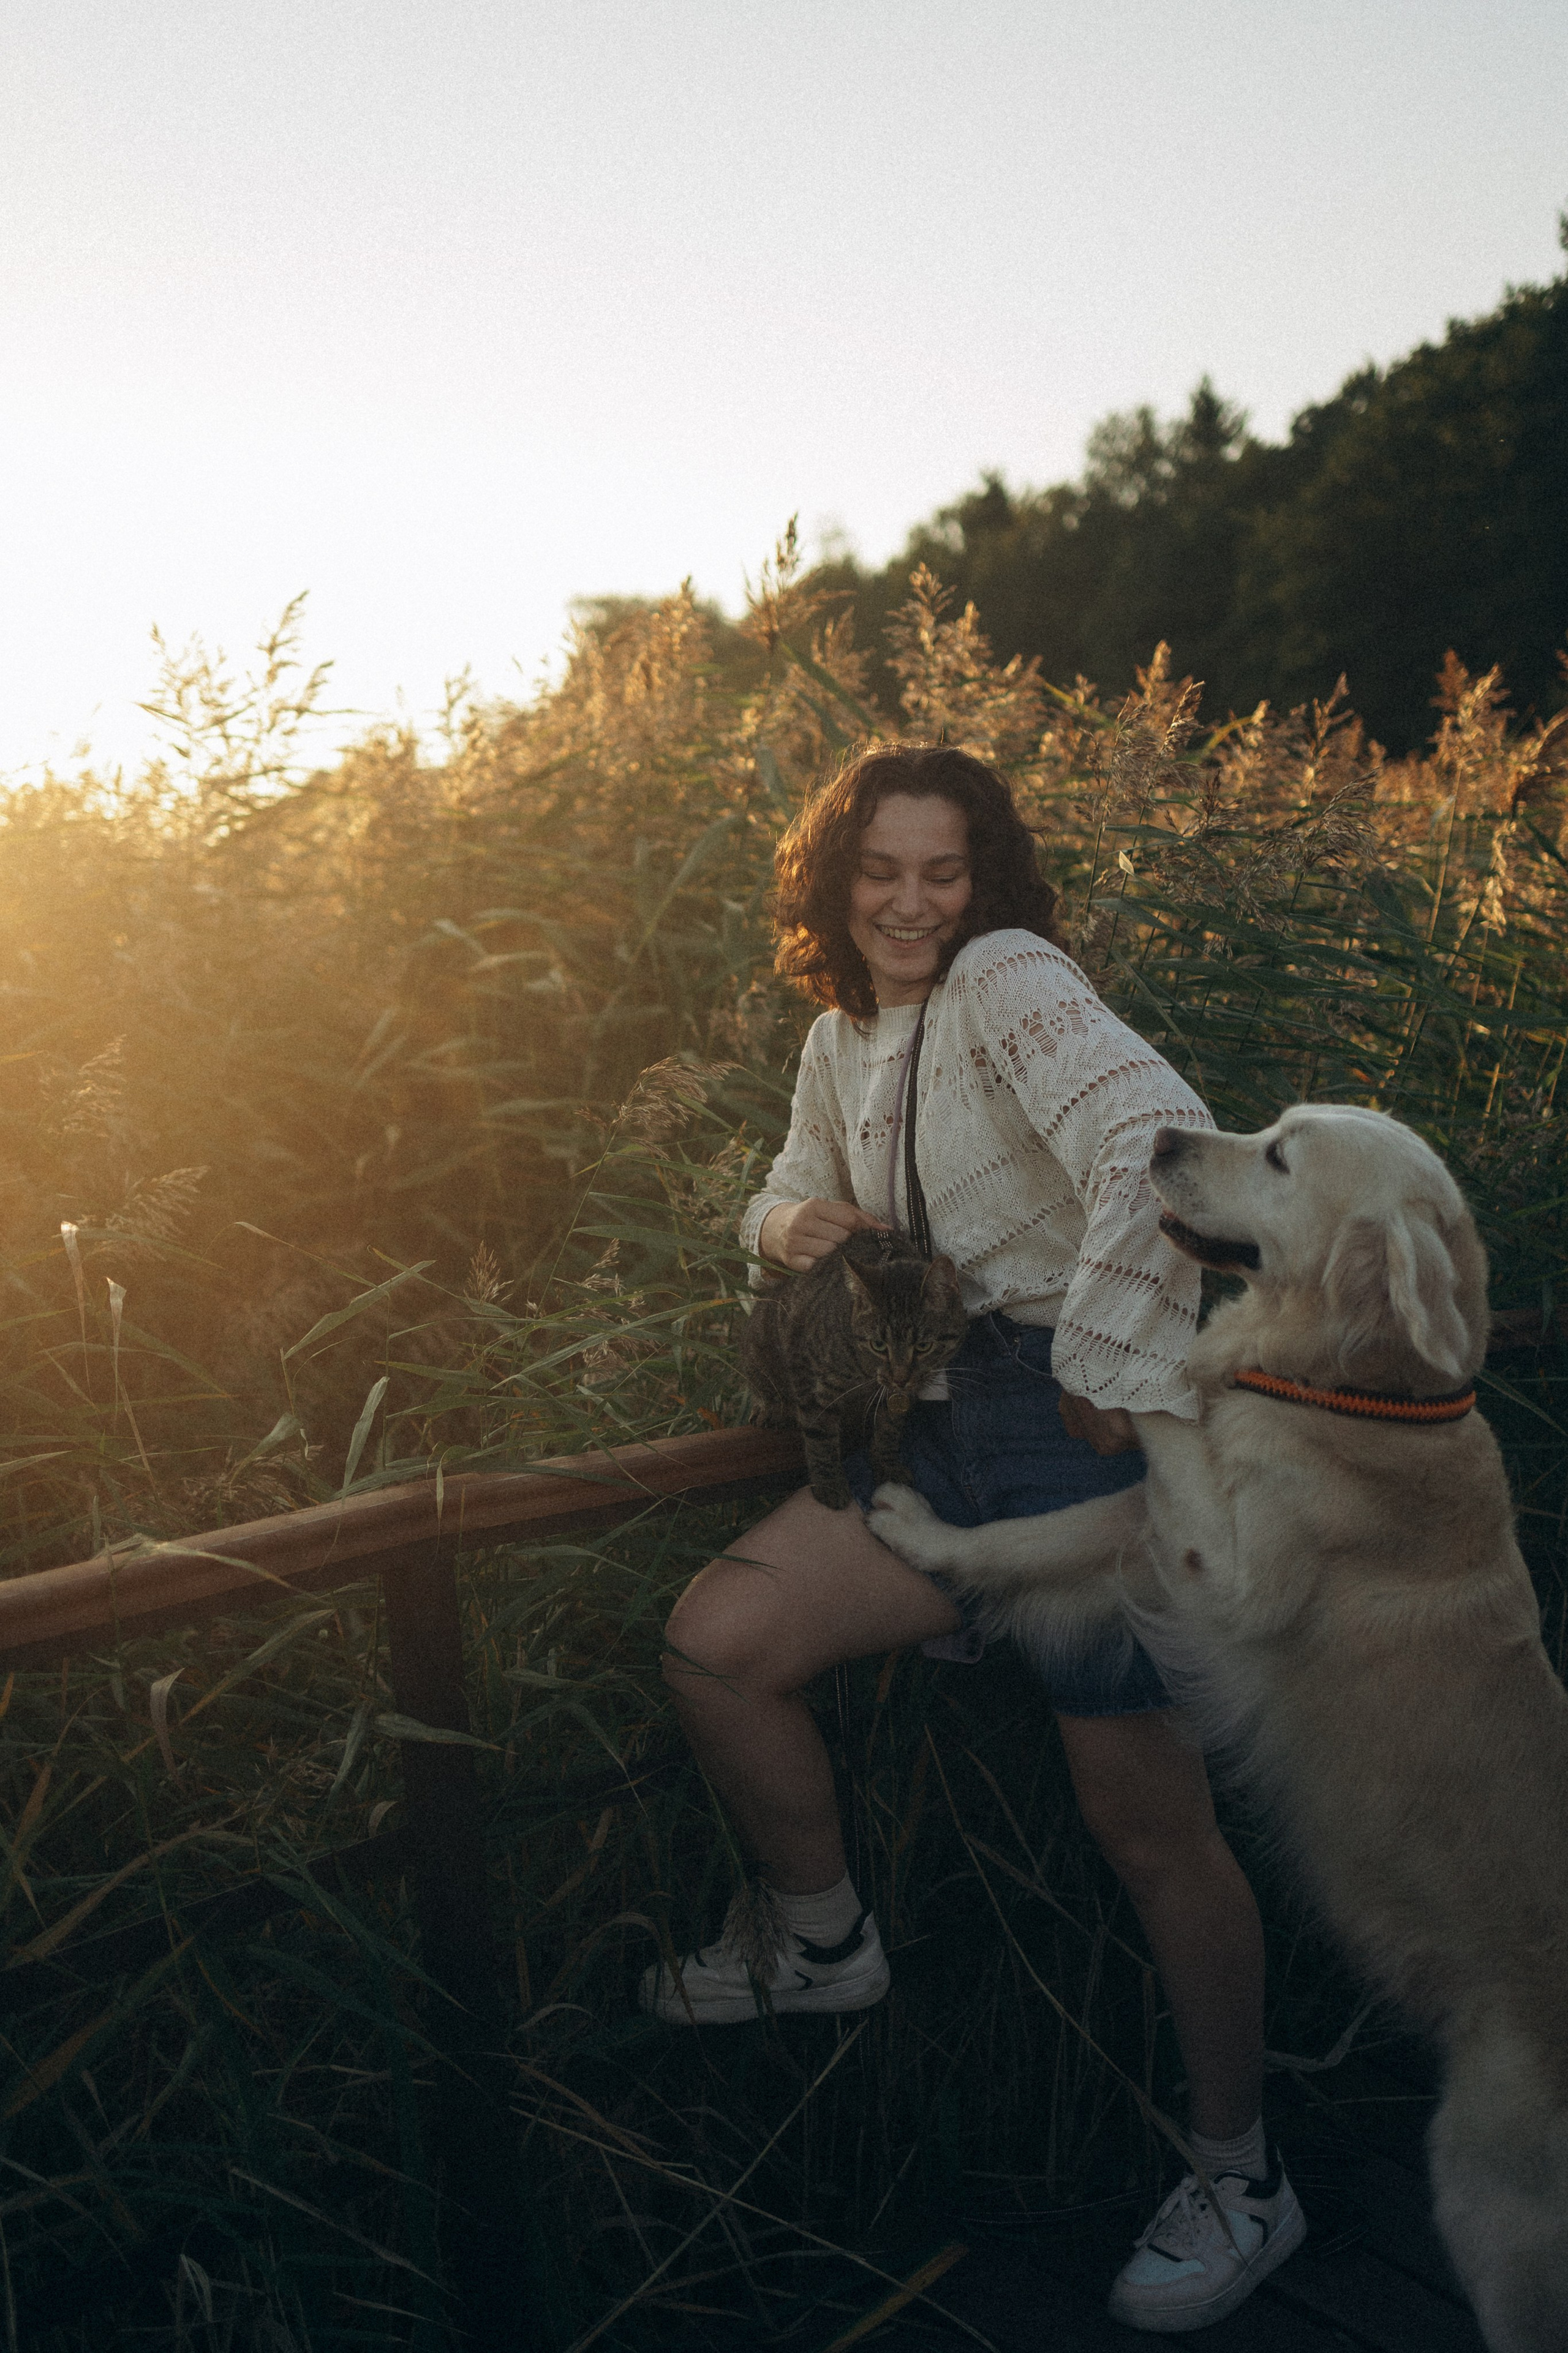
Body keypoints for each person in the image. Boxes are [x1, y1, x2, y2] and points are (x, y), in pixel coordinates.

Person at [640, 744, 1303, 2332]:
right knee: (719, 1641)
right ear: (834, 874)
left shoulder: (1008, 976)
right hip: (917, 1430)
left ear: (983, 879)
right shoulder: (840, 1033)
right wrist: (791, 1223)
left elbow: (1165, 1144)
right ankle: (820, 1938)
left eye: (943, 870)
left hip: (1047, 1424)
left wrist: (1113, 1361)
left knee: (1147, 1823)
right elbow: (788, 1189)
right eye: (880, 869)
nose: (911, 901)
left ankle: (1246, 2175)